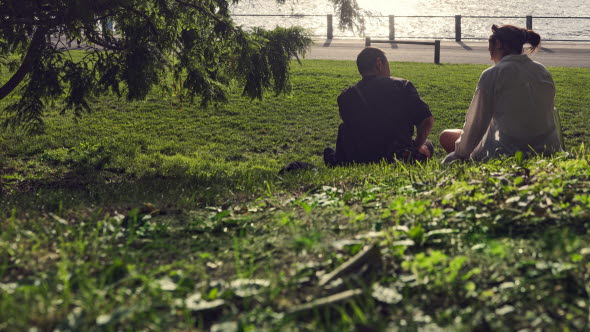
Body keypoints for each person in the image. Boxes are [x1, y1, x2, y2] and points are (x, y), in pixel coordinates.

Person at [440, 24, 563, 163]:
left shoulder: (493, 74)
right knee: (450, 136)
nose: (491, 58)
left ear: (498, 44)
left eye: (490, 51)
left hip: (508, 152)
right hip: (549, 149)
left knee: (446, 137)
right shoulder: (543, 71)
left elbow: (476, 124)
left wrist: (459, 155)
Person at [324, 47, 435, 166]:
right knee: (428, 144)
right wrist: (416, 146)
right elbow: (427, 121)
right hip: (396, 156)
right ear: (379, 63)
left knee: (329, 152)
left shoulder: (345, 96)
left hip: (359, 156)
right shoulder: (402, 86)